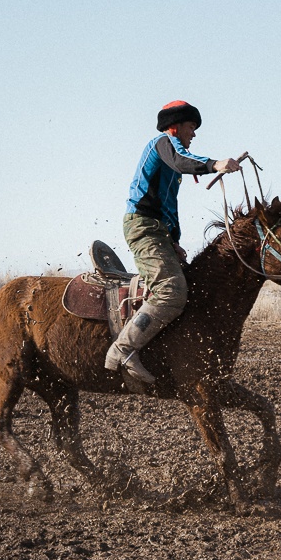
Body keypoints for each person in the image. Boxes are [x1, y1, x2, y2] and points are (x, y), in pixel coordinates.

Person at [105, 100, 242, 382]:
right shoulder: (163, 143)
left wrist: (173, 240)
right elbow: (182, 161)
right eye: (192, 127)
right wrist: (215, 164)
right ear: (176, 126)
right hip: (143, 226)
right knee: (171, 290)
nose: (194, 134)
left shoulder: (170, 163)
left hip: (156, 230)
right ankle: (123, 349)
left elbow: (168, 206)